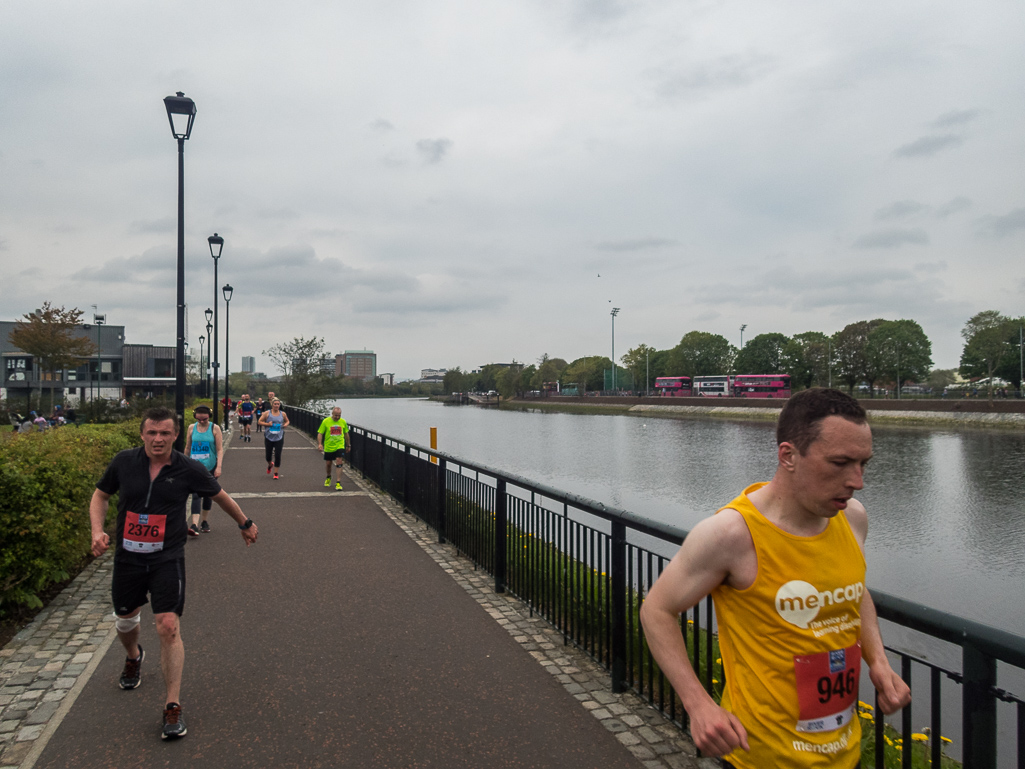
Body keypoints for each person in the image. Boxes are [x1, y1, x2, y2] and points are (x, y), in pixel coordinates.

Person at [639, 388, 910, 769]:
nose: (857, 480)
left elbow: (854, 591)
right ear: (788, 456)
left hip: (844, 754)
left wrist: (878, 661)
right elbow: (656, 610)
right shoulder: (731, 535)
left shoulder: (852, 519)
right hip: (759, 756)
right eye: (840, 462)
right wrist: (698, 705)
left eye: (864, 463)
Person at [89, 406, 258, 741]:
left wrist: (246, 523)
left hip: (167, 557)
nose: (158, 439)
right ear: (142, 434)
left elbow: (219, 496)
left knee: (167, 625)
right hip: (128, 559)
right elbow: (100, 496)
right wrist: (96, 531)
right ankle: (134, 657)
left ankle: (172, 705)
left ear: (176, 435)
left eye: (165, 433)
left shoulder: (188, 469)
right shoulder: (123, 462)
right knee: (126, 618)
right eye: (151, 433)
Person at [183, 405, 223, 535]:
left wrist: (219, 467)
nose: (201, 422)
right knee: (196, 494)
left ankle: (204, 521)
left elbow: (219, 449)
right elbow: (188, 447)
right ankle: (194, 524)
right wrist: (184, 462)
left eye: (204, 420)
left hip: (210, 466)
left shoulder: (214, 428)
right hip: (194, 466)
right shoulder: (191, 428)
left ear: (209, 417)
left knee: (208, 494)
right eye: (199, 419)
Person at [317, 406, 350, 490]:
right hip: (329, 446)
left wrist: (348, 444)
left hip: (339, 445)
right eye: (336, 415)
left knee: (339, 460)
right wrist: (320, 444)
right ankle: (328, 477)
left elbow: (346, 434)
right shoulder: (326, 421)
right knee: (328, 463)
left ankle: (338, 482)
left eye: (339, 415)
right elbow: (320, 433)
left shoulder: (343, 422)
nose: (337, 417)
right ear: (332, 414)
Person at [257, 398, 289, 480]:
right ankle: (270, 464)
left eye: (278, 404)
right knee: (268, 456)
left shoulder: (283, 414)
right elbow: (259, 421)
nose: (276, 405)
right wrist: (267, 424)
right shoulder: (267, 413)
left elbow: (287, 421)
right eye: (275, 404)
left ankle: (276, 473)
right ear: (272, 405)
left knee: (278, 455)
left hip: (279, 437)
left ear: (279, 405)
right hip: (269, 437)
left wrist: (285, 425)